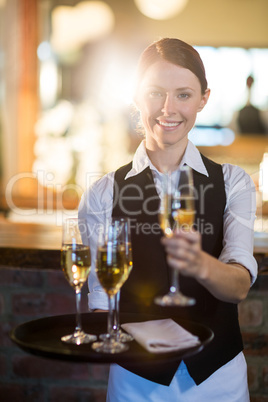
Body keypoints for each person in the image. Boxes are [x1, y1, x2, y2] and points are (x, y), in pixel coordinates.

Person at [78, 38, 257, 401]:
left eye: (184, 95)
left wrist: (199, 263)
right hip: (136, 383)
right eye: (155, 93)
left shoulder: (233, 182)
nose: (168, 108)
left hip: (218, 381)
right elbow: (100, 303)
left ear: (204, 99)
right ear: (136, 97)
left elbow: (238, 288)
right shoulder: (101, 193)